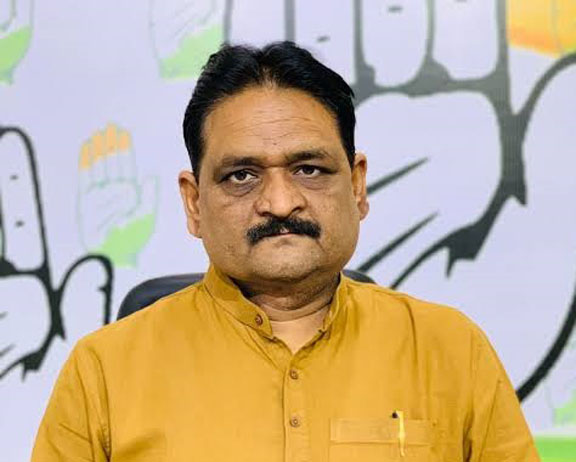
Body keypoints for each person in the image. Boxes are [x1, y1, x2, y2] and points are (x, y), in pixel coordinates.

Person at [32, 42, 540, 461]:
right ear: (194, 203)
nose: (279, 202)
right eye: (241, 176)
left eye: (309, 169)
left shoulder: (451, 350)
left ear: (357, 186)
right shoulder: (103, 371)